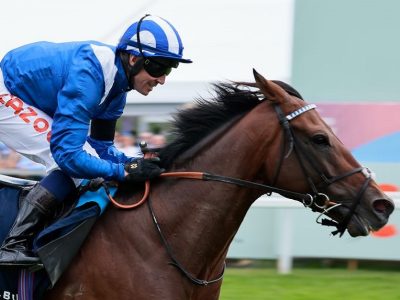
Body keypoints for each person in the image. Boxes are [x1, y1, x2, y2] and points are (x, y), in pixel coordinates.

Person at [0, 14, 192, 268]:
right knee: (65, 162)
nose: (162, 79)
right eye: (158, 67)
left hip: (27, 92)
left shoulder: (118, 90)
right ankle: (12, 244)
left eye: (169, 69)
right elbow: (68, 155)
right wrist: (123, 171)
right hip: (7, 89)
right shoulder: (88, 77)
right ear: (133, 58)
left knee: (89, 161)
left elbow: (102, 149)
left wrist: (134, 163)